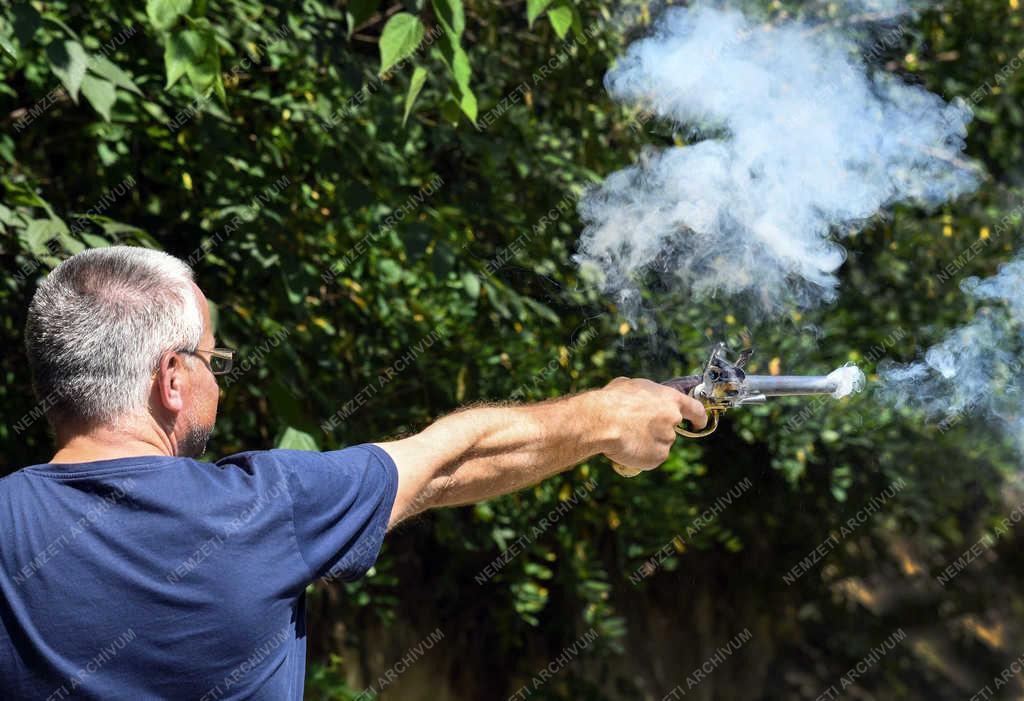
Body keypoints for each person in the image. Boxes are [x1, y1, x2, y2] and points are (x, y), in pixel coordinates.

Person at [0, 246, 706, 699]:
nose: (222, 380)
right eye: (214, 362)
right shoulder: (267, 508)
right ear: (171, 379)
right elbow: (456, 454)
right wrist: (613, 415)